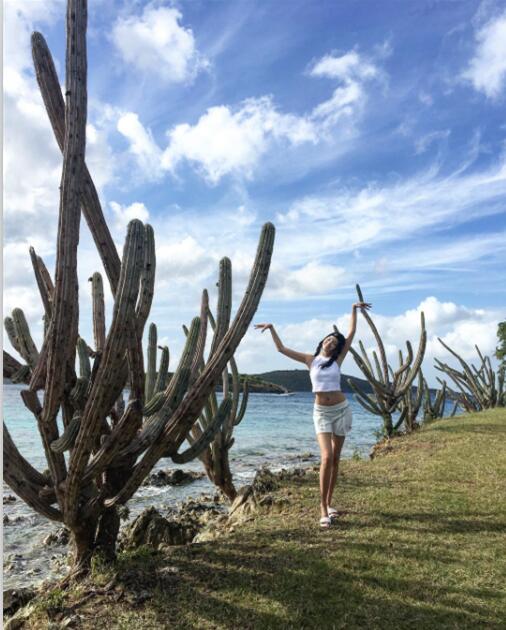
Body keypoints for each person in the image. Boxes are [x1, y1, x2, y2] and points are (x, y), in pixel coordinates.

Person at [254, 301, 371, 529]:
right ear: (322, 341)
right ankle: (322, 508)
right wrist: (272, 328)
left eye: (334, 342)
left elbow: (351, 334)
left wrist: (353, 309)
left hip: (341, 410)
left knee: (335, 459)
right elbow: (281, 349)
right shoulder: (311, 360)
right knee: (326, 457)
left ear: (337, 348)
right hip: (321, 413)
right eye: (328, 339)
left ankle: (329, 503)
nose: (331, 342)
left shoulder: (337, 360)